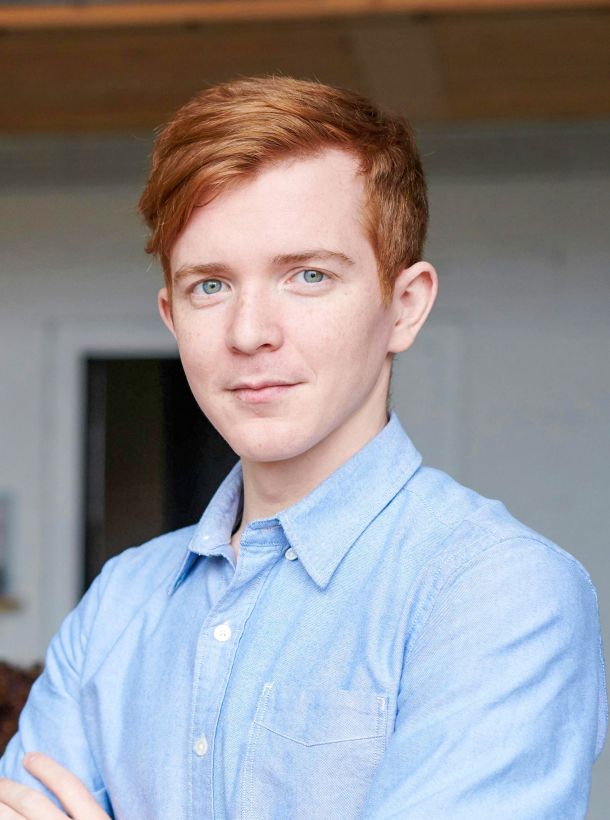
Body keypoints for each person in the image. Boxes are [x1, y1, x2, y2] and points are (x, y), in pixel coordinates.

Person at [0, 75, 606, 820]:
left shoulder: (497, 592)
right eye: (209, 286)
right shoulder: (120, 602)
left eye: (308, 275)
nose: (250, 331)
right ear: (171, 315)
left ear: (404, 307)